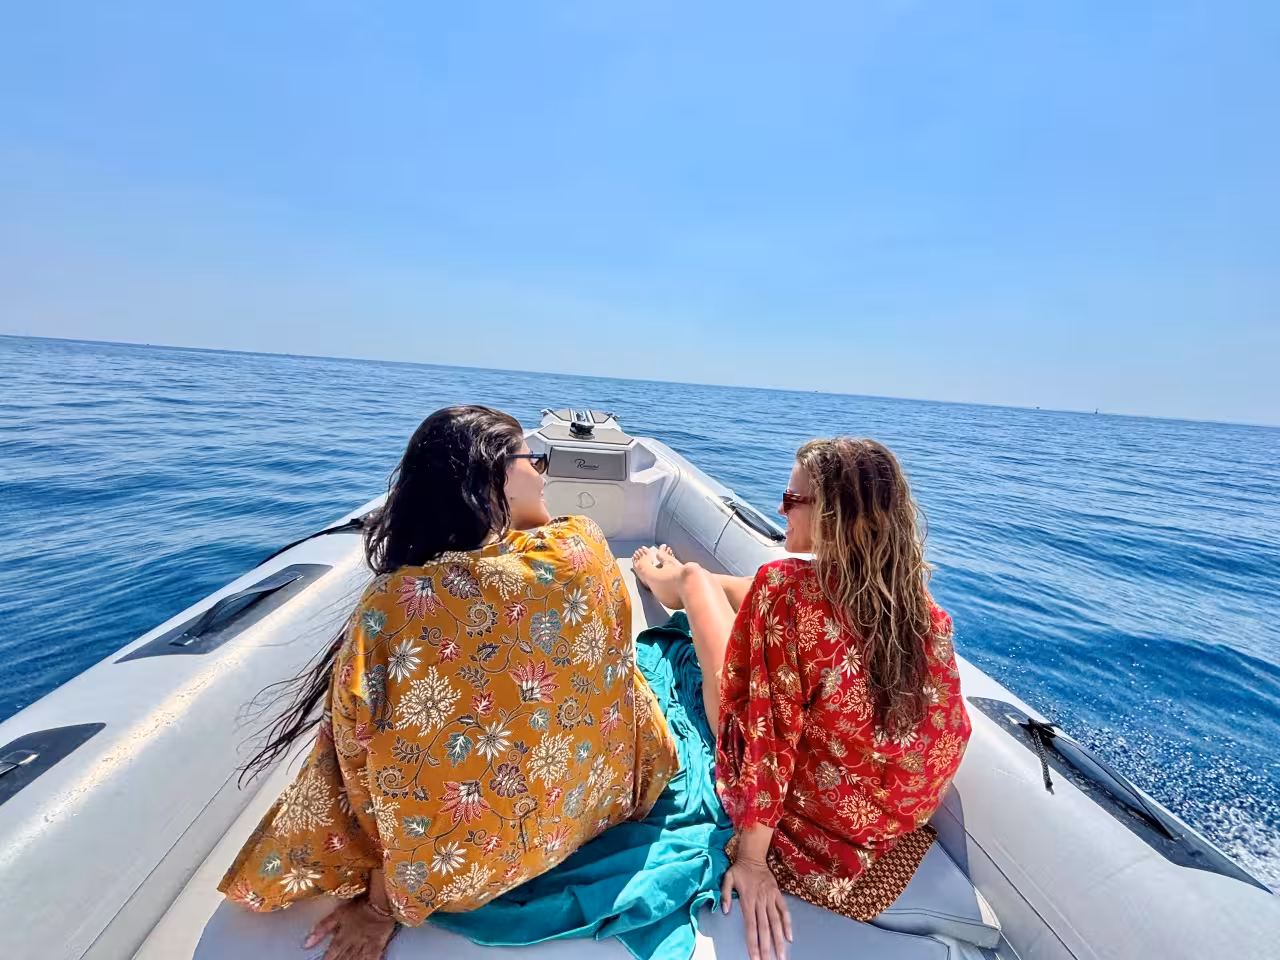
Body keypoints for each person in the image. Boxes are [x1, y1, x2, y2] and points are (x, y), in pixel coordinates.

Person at [220, 405, 678, 960]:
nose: (545, 470)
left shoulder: (395, 606)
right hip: (606, 802)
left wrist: (380, 906)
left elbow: (364, 761)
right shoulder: (580, 549)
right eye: (534, 460)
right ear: (491, 478)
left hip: (462, 876)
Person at [632, 437, 971, 960]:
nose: (779, 509)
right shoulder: (922, 610)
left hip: (794, 801)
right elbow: (951, 736)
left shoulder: (785, 590)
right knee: (757, 589)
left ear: (832, 515)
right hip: (867, 820)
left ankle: (666, 577)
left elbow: (770, 739)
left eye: (792, 501)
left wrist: (751, 860)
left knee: (703, 584)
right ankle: (676, 579)